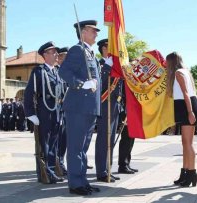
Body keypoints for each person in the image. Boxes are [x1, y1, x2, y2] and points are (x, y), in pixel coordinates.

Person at [59, 20, 101, 195]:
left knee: (83, 147)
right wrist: (81, 84)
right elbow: (64, 72)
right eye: (93, 31)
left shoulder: (91, 53)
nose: (96, 34)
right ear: (83, 32)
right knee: (76, 146)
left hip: (89, 107)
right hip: (78, 106)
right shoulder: (78, 50)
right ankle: (75, 184)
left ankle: (82, 181)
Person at [24, 41, 64, 184]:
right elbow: (29, 93)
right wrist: (30, 114)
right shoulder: (39, 71)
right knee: (44, 144)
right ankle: (44, 173)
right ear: (45, 55)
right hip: (44, 112)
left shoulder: (58, 71)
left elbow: (61, 93)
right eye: (53, 52)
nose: (56, 54)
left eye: (56, 52)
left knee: (54, 143)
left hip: (57, 112)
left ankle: (52, 171)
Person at [166, 52, 197, 187]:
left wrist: (190, 112)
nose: (166, 65)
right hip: (185, 107)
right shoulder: (184, 71)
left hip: (187, 108)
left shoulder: (179, 73)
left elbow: (186, 93)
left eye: (167, 62)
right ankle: (185, 172)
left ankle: (192, 173)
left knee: (188, 143)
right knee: (185, 143)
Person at [95, 38, 123, 183]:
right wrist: (108, 67)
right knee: (103, 139)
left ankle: (108, 169)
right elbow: (100, 86)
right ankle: (101, 171)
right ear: (104, 50)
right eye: (110, 48)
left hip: (115, 106)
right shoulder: (100, 66)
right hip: (105, 106)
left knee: (111, 140)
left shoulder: (116, 67)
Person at [117, 86, 138, 174]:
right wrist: (123, 112)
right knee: (126, 138)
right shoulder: (123, 80)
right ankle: (123, 165)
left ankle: (127, 163)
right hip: (125, 110)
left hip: (131, 109)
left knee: (131, 138)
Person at [55, 46, 69, 176]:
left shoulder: (68, 72)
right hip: (57, 111)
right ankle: (57, 163)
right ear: (58, 58)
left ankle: (61, 162)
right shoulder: (56, 72)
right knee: (57, 140)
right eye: (64, 57)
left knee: (64, 139)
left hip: (67, 111)